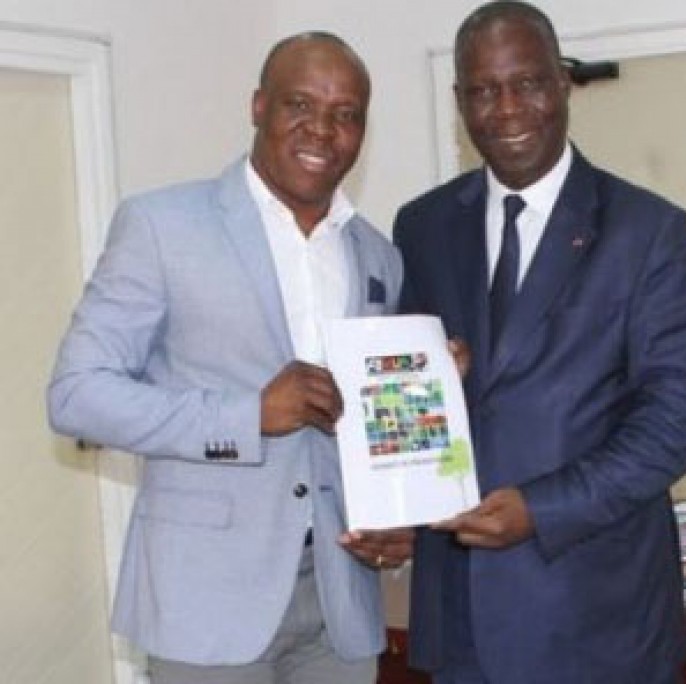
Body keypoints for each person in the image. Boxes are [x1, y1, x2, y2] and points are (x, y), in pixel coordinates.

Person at [47, 32, 413, 684]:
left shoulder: (376, 253)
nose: (322, 129)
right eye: (299, 104)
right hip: (207, 601)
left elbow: (365, 420)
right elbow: (77, 394)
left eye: (346, 114)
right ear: (258, 106)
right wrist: (248, 414)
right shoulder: (162, 225)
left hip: (341, 603)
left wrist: (395, 510)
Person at [392, 2, 686, 682]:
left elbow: (682, 413)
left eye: (527, 83)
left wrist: (542, 508)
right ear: (460, 101)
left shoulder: (647, 231)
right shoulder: (424, 226)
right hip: (462, 623)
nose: (507, 109)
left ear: (562, 83)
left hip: (599, 619)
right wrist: (392, 501)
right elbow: (409, 396)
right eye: (483, 90)